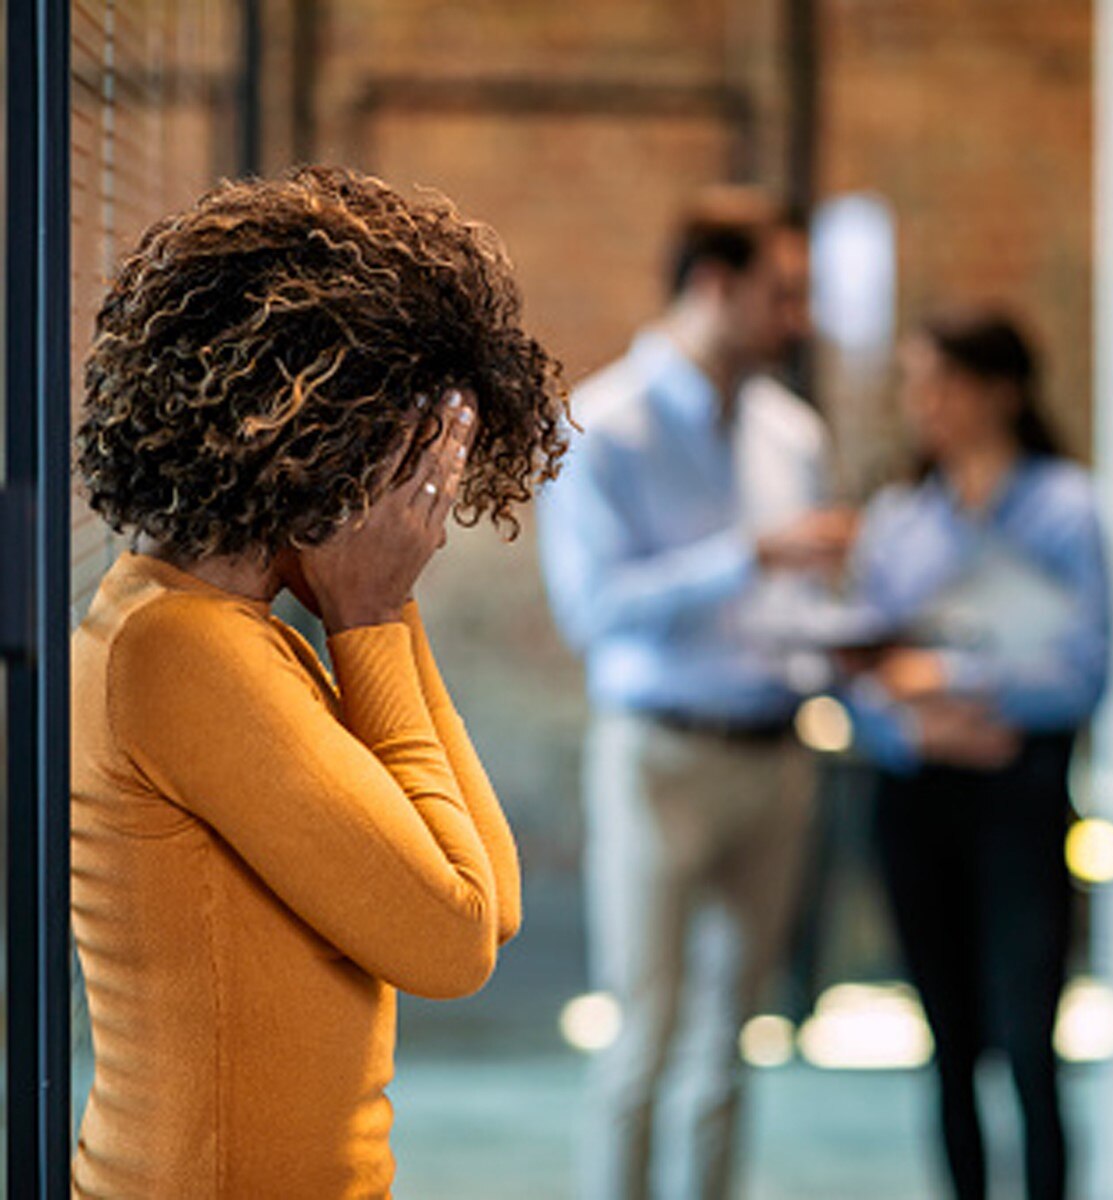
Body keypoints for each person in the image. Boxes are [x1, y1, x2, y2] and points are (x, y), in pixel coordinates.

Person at [70, 165, 567, 1198]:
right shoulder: (179, 651)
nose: (418, 514)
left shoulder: (232, 632)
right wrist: (370, 611)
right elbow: (451, 942)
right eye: (409, 470)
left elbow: (492, 894)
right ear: (312, 441)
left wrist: (384, 608)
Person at [538, 188, 856, 1200]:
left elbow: (795, 610)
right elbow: (593, 613)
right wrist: (744, 557)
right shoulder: (600, 426)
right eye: (784, 294)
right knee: (643, 1038)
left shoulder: (789, 433)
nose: (799, 320)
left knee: (729, 1047)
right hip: (659, 758)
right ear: (714, 285)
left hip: (777, 754)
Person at [840, 308, 1111, 1200]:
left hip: (1020, 791)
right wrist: (915, 723)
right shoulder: (899, 519)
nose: (926, 404)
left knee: (1029, 1036)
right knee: (947, 1039)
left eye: (945, 382)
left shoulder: (1068, 509)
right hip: (917, 795)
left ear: (1003, 392)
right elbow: (861, 668)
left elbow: (1083, 666)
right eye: (917, 383)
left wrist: (953, 679)